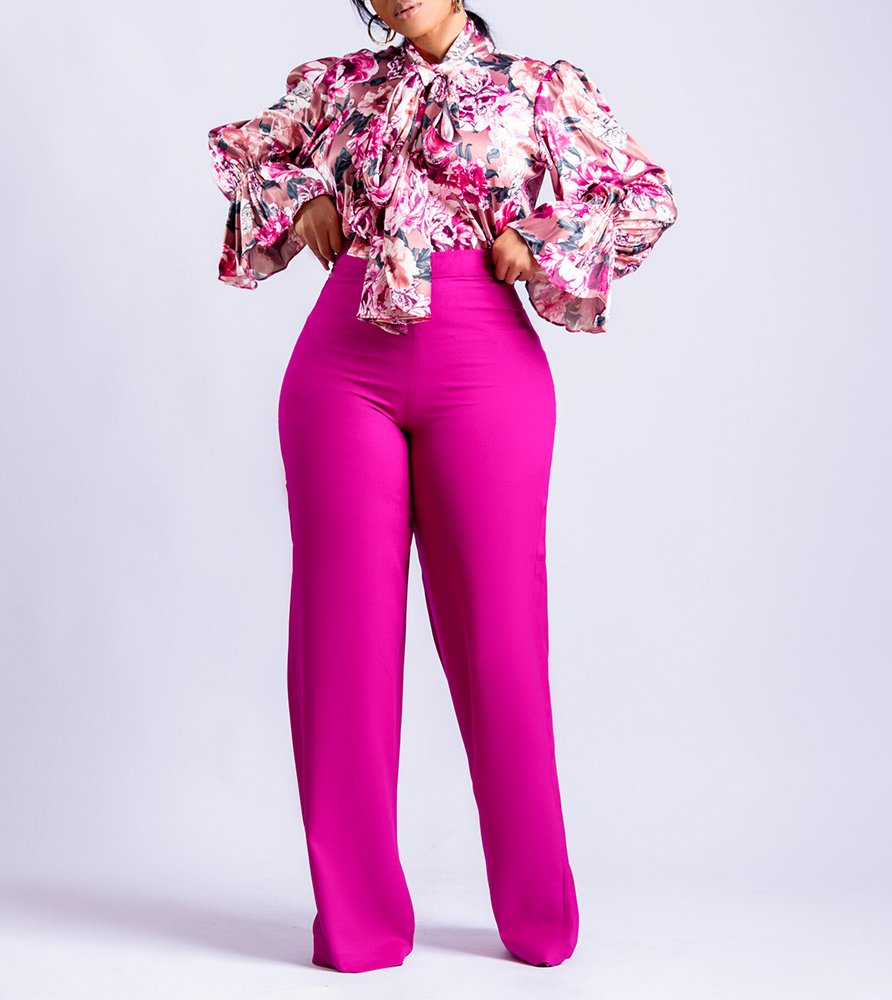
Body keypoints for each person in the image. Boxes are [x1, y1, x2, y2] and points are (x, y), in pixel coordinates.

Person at [208, 0, 677, 975]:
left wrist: (541, 240)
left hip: (483, 361)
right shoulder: (337, 84)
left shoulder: (537, 88)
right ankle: (358, 926)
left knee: (500, 641)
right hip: (344, 363)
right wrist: (305, 196)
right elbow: (242, 149)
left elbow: (642, 192)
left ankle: (537, 914)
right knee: (340, 646)